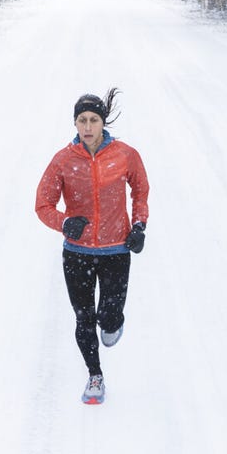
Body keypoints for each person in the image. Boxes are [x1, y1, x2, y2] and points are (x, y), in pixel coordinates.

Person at [34, 88, 149, 405]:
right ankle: (94, 376)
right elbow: (43, 205)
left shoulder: (125, 155)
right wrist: (63, 223)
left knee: (108, 318)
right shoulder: (63, 160)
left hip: (116, 251)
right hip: (78, 253)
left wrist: (139, 226)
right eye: (82, 120)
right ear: (75, 123)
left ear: (103, 122)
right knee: (84, 318)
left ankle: (113, 324)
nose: (87, 126)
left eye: (93, 120)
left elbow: (140, 191)